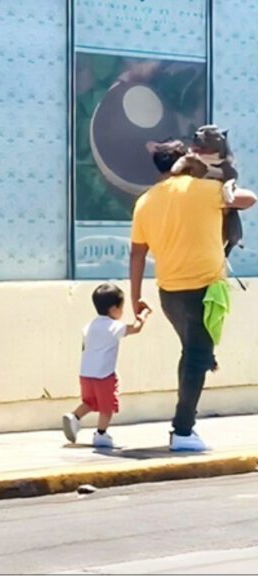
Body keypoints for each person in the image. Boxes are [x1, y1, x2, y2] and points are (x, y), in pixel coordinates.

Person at [129, 140, 257, 451]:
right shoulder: (206, 190)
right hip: (205, 290)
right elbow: (249, 199)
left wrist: (135, 299)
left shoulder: (145, 202)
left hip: (169, 293)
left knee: (191, 353)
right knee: (196, 357)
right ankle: (183, 431)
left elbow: (136, 255)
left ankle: (184, 424)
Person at [62, 283, 148, 448]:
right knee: (106, 406)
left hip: (86, 373)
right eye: (121, 308)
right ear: (114, 308)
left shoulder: (90, 326)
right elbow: (136, 329)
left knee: (90, 402)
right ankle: (101, 434)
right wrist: (143, 315)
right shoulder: (113, 326)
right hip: (104, 375)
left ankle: (74, 417)